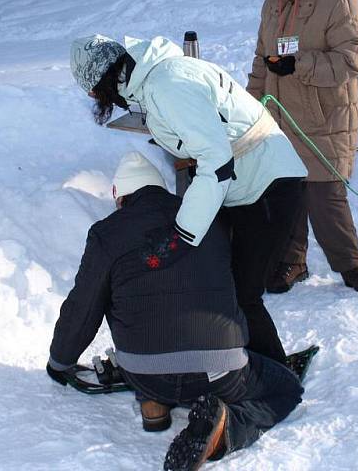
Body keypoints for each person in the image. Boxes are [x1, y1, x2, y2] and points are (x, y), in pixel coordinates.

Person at [47, 152, 304, 471]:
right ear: (160, 187)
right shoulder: (208, 219)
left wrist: (60, 361)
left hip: (143, 371)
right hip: (220, 372)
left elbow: (82, 308)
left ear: (121, 197)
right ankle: (225, 430)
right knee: (286, 388)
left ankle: (153, 402)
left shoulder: (106, 233)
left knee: (145, 323)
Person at [69, 32, 307, 365]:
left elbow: (217, 161)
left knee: (241, 291)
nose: (97, 99)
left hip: (267, 184)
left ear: (104, 78)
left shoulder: (166, 84)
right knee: (214, 279)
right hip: (244, 185)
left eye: (94, 92)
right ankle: (222, 358)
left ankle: (274, 372)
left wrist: (186, 231)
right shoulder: (154, 80)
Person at [247, 0, 358, 295]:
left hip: (324, 115)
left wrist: (299, 65)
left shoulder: (337, 0)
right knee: (287, 193)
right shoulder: (273, 4)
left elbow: (354, 58)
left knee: (325, 196)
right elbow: (261, 58)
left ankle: (350, 263)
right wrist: (252, 103)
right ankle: (292, 261)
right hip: (281, 116)